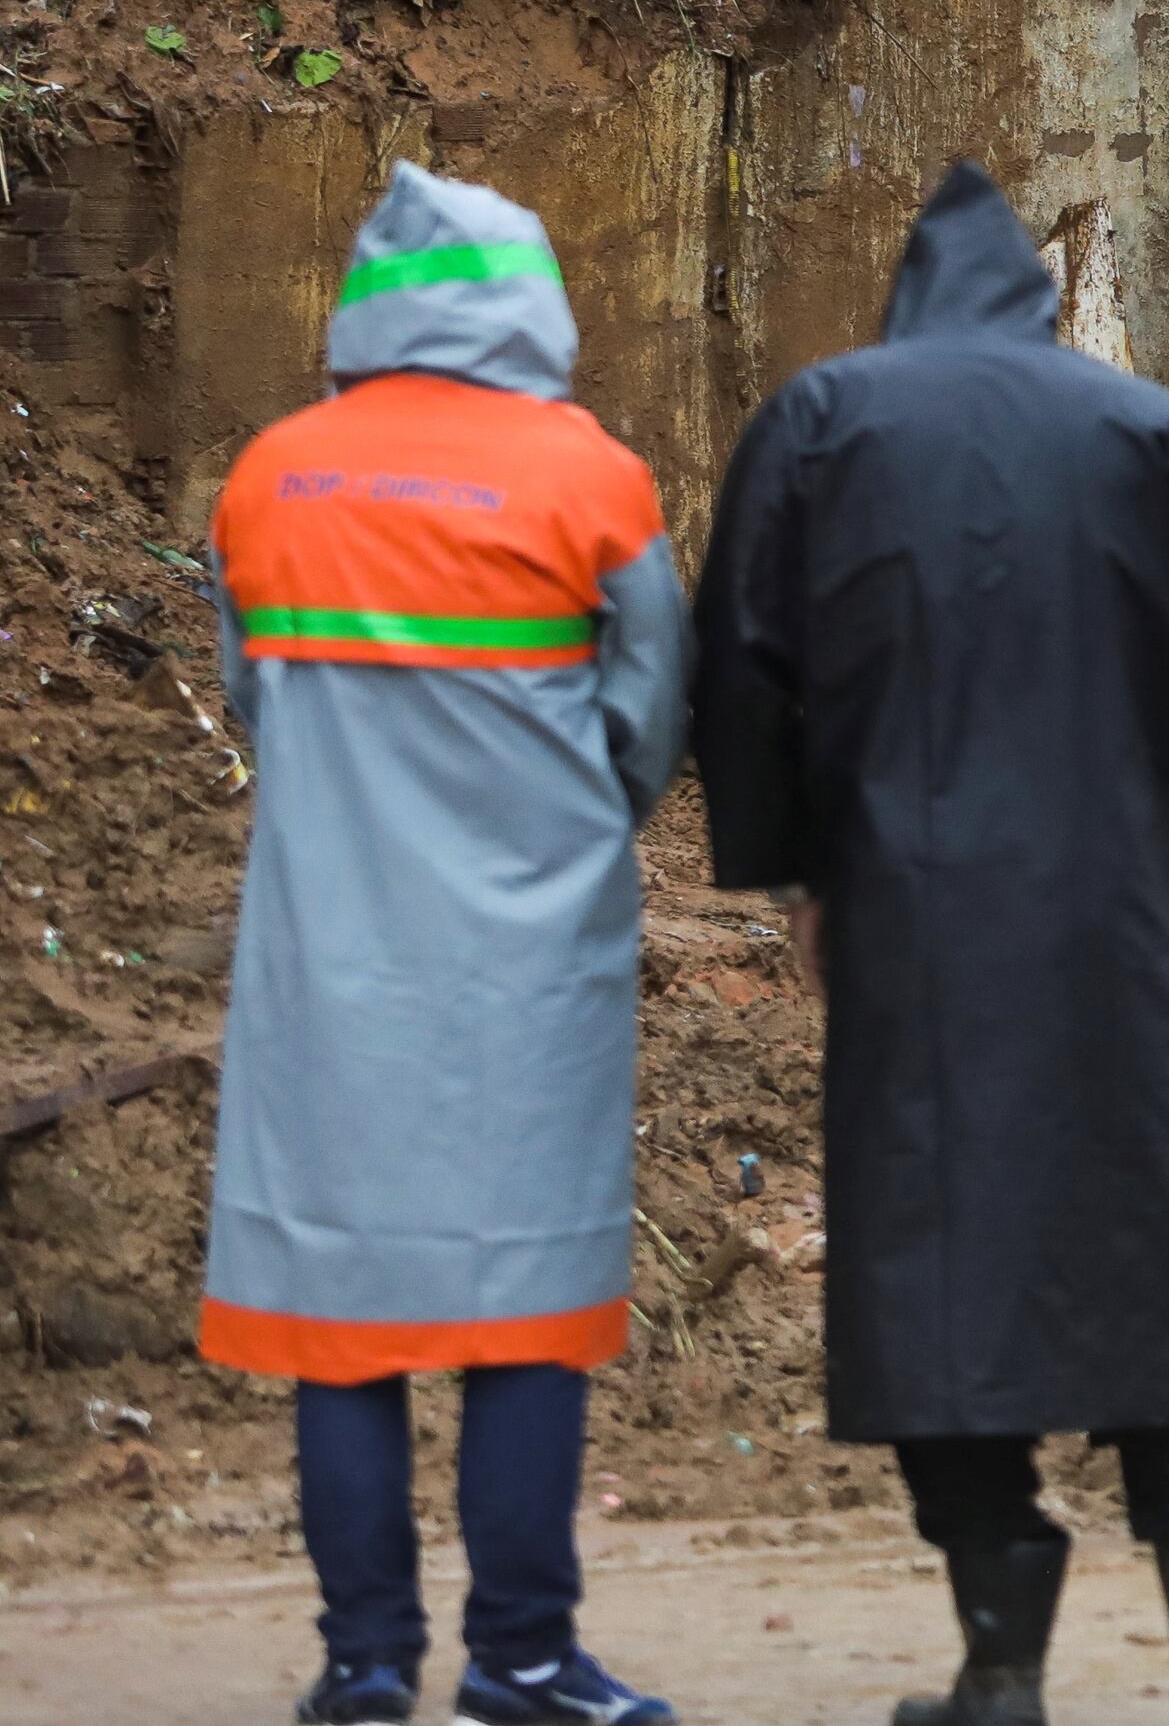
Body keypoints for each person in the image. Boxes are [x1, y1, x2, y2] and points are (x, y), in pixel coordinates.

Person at [693, 164, 1169, 1726]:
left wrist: (793, 867)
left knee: (933, 1253)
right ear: (1036, 302)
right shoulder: (1144, 425)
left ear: (908, 293)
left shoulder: (820, 420)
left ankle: (1001, 1658)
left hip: (911, 912)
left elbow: (745, 663)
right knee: (1155, 1243)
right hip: (1116, 908)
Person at [202, 169, 687, 1726]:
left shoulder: (267, 475)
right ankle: (523, 1660)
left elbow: (256, 695)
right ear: (525, 300)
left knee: (340, 1319)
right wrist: (565, 823)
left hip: (325, 957)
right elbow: (648, 712)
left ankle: (363, 1662)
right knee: (523, 1305)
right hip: (529, 969)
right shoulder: (590, 475)